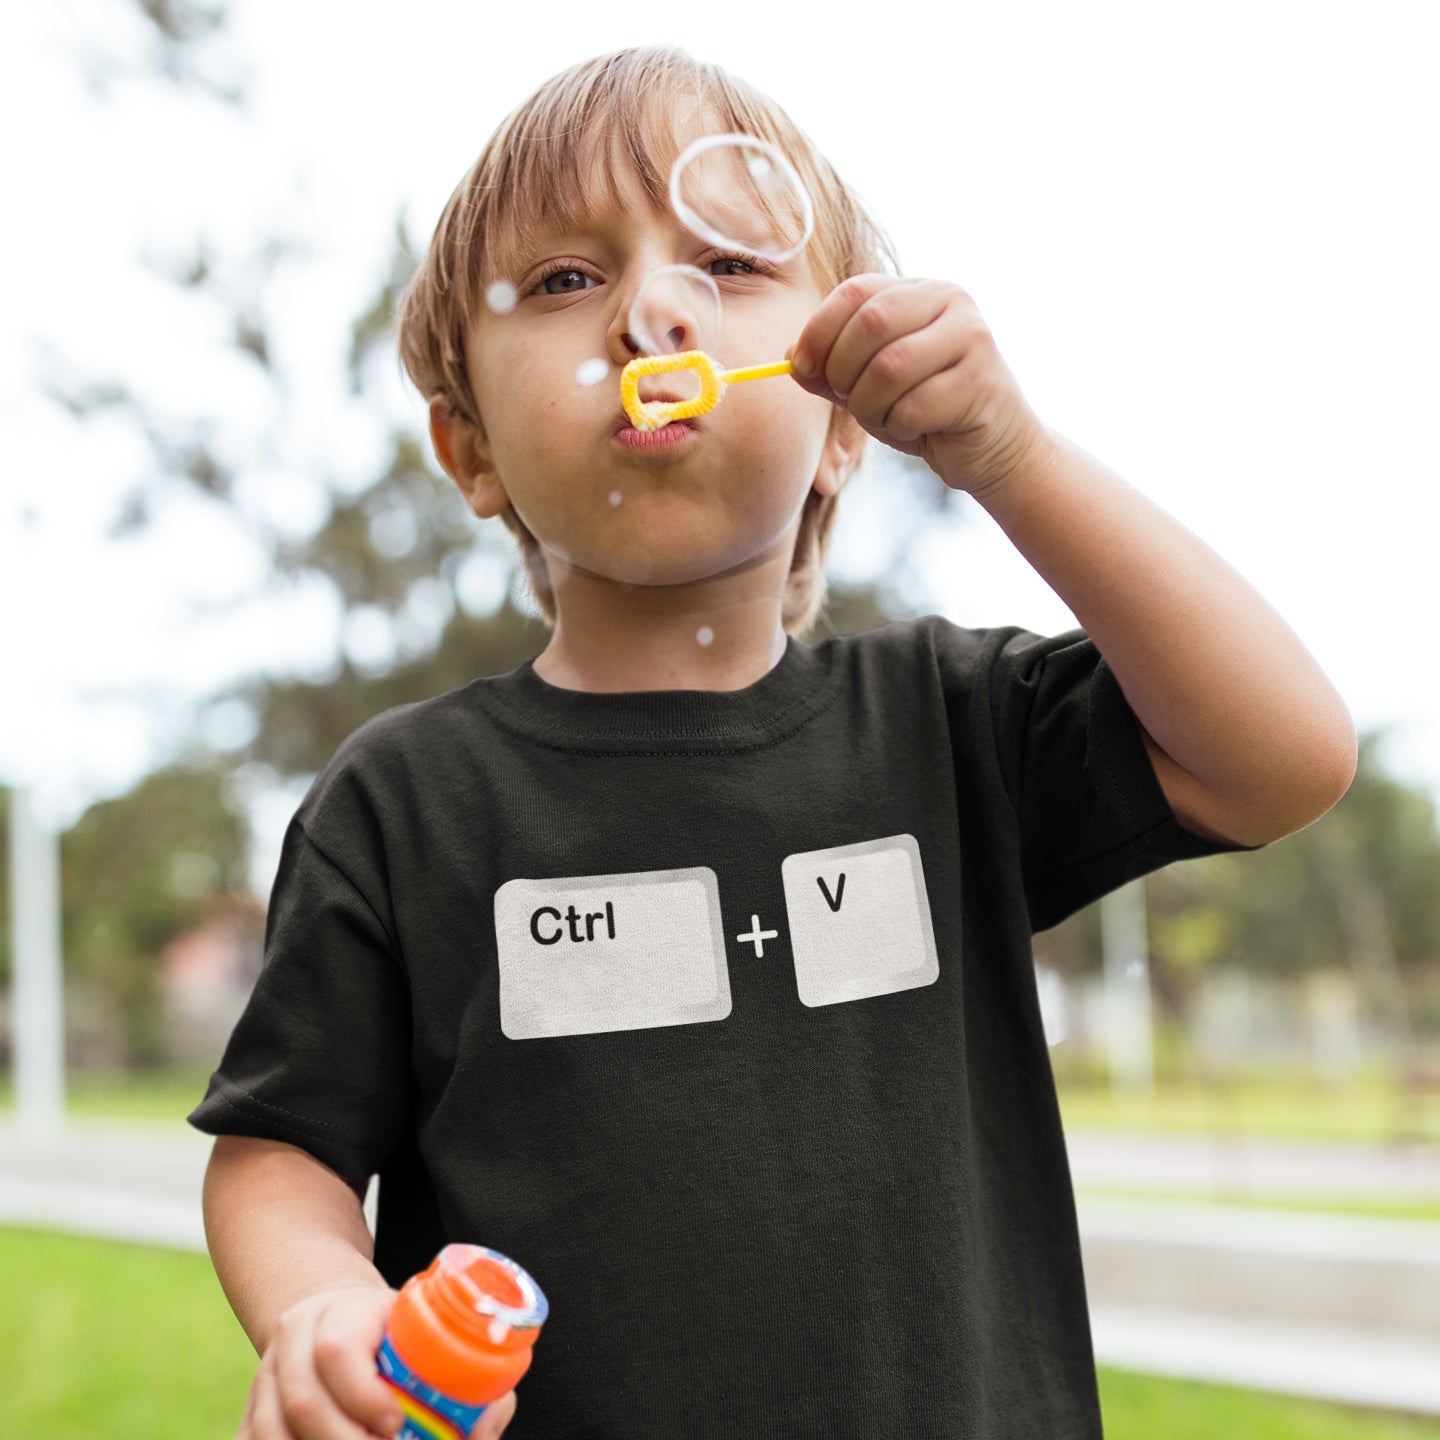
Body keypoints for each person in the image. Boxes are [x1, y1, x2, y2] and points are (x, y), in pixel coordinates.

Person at [190, 45, 1357, 1440]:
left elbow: (1285, 757)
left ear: (847, 418)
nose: (652, 313)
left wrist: (1011, 454)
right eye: (567, 280)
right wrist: (324, 1304)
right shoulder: (404, 803)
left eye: (732, 265)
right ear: (471, 452)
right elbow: (281, 1154)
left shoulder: (950, 729)